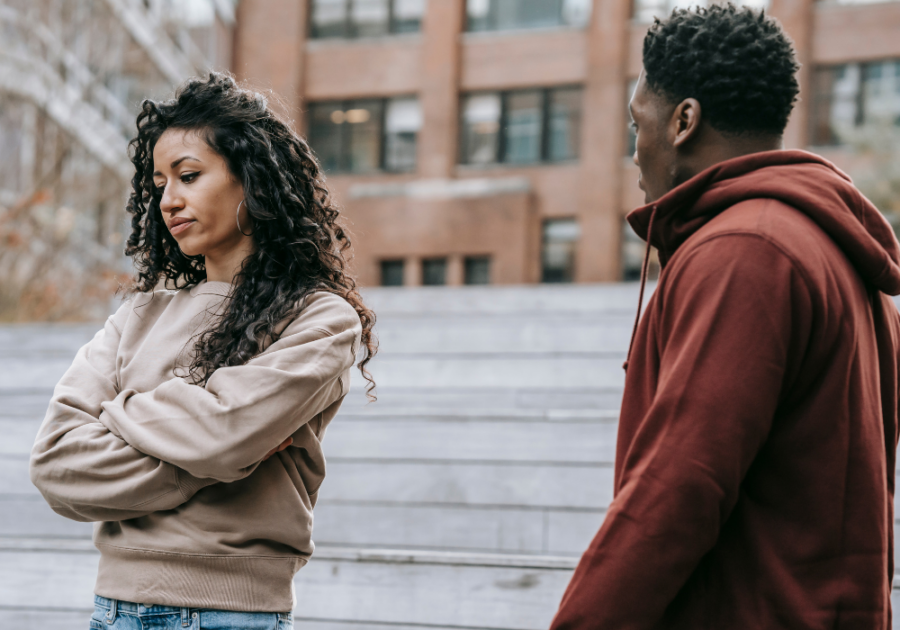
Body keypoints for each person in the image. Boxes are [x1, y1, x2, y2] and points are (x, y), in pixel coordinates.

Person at [550, 5, 900, 629]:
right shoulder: (834, 257)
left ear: (684, 120)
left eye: (639, 124)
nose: (636, 154)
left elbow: (679, 486)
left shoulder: (745, 252)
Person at [29, 72, 376, 630]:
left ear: (252, 181)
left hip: (231, 614)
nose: (168, 200)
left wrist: (118, 416)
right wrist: (218, 450)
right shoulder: (138, 315)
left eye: (188, 176)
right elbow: (56, 465)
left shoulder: (319, 319)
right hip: (112, 610)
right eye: (159, 183)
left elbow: (224, 435)